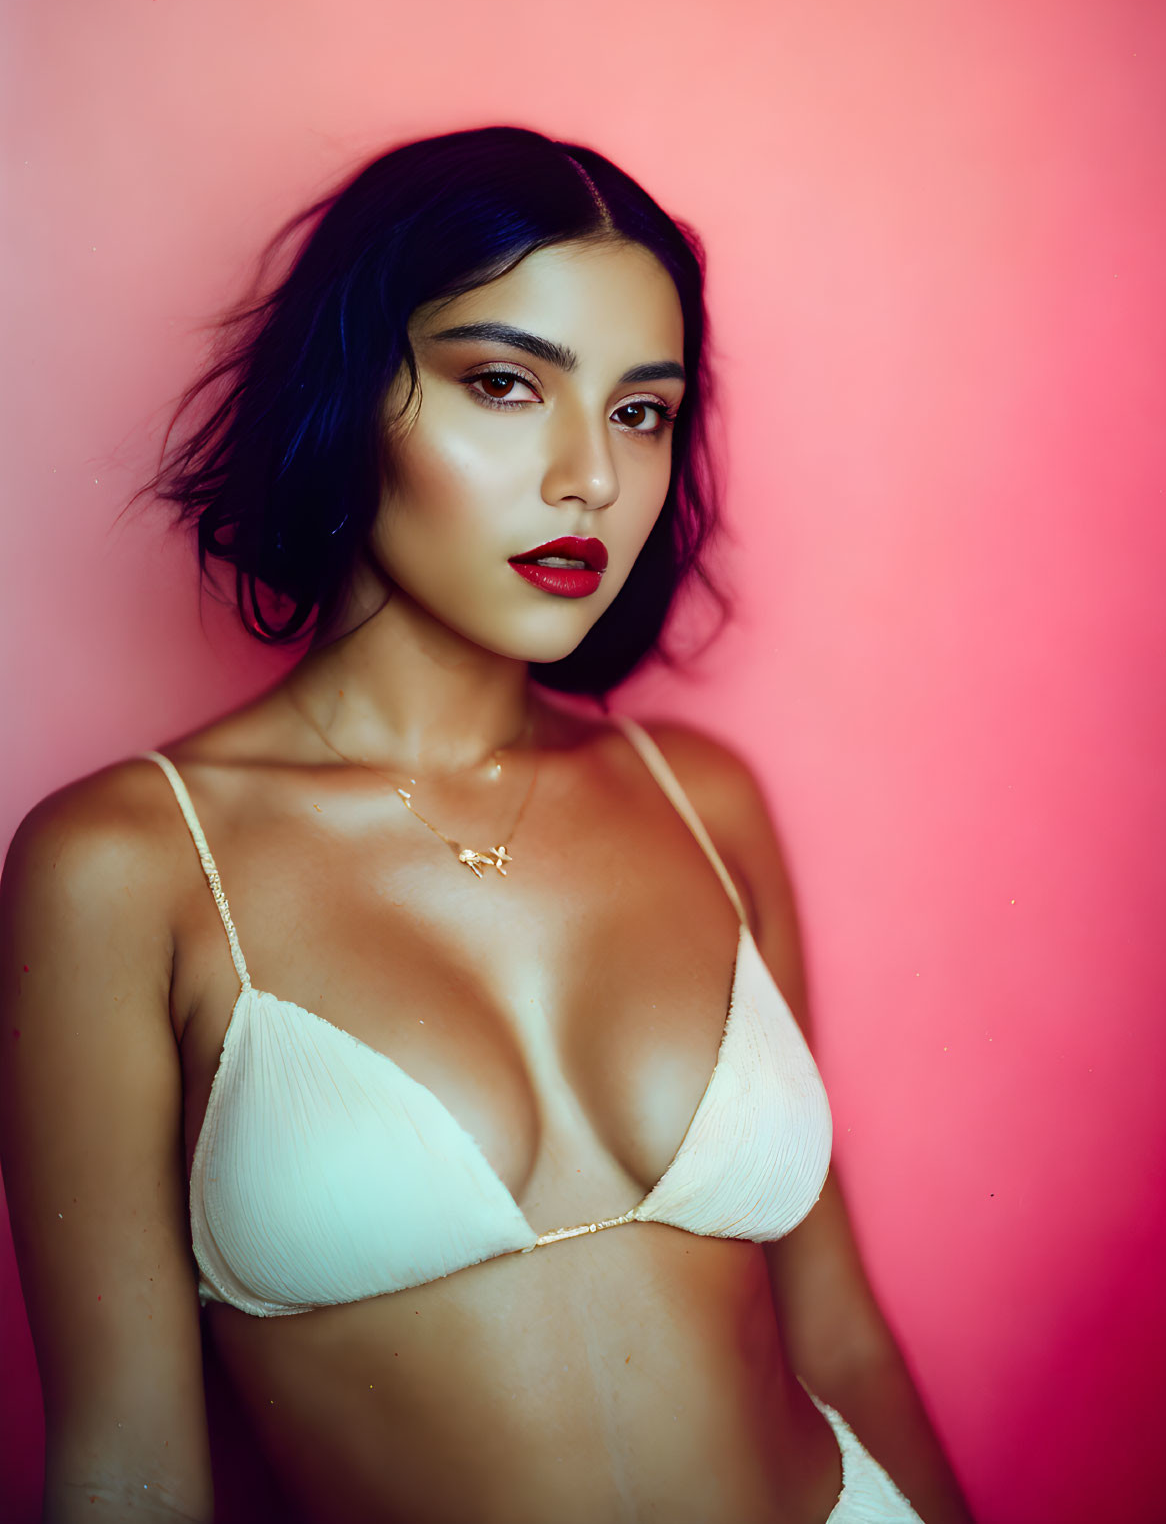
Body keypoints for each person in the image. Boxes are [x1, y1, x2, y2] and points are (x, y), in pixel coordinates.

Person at [0, 127, 974, 1524]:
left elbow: (840, 1339)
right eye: (505, 384)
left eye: (641, 411)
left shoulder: (698, 801)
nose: (588, 476)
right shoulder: (126, 867)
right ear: (349, 397)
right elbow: (131, 1466)